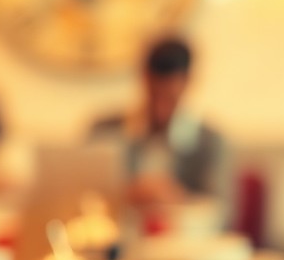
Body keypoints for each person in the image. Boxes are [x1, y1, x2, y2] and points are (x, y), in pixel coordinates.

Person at [88, 35, 233, 222]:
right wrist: (127, 193)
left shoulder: (211, 142)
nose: (161, 110)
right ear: (144, 79)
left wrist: (177, 199)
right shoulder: (105, 132)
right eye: (154, 96)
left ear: (188, 82)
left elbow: (220, 211)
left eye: (170, 99)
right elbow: (86, 196)